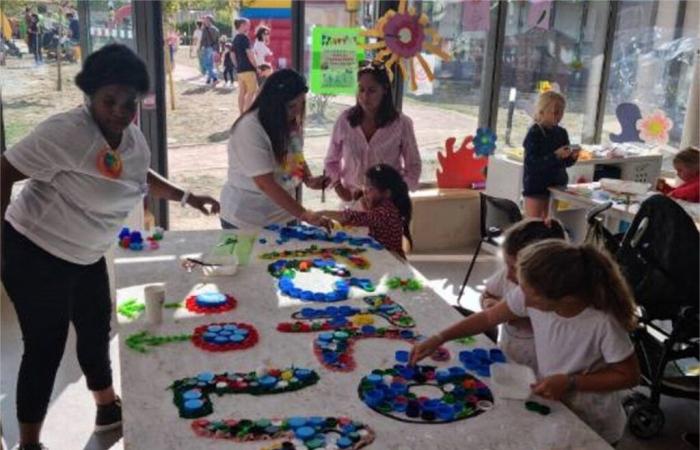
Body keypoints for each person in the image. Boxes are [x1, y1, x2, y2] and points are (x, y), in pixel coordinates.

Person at [0, 44, 220, 450]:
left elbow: (138, 177)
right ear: (90, 96)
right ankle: (29, 443)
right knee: (45, 347)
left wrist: (188, 197)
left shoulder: (131, 139)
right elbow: (4, 170)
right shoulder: (66, 131)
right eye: (109, 101)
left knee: (96, 329)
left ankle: (106, 407)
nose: (120, 110)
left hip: (86, 254)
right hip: (34, 251)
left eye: (129, 102)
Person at [410, 240, 640, 444]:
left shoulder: (602, 321)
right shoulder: (532, 294)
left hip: (593, 419)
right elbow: (489, 317)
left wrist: (571, 382)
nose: (520, 296)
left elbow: (629, 376)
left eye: (528, 293)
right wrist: (440, 337)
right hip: (556, 403)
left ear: (565, 299)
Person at [219, 69, 328, 230]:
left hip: (284, 215)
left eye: (302, 104)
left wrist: (307, 179)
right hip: (246, 220)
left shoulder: (290, 123)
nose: (297, 111)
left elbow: (295, 155)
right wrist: (305, 214)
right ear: (273, 103)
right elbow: (265, 183)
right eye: (292, 106)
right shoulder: (250, 128)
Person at [324, 63, 421, 203]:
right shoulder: (345, 121)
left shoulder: (402, 124)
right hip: (352, 201)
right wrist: (339, 188)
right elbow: (331, 161)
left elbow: (414, 166)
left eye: (372, 90)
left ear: (385, 90)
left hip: (388, 205)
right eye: (361, 89)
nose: (365, 96)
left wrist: (396, 194)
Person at [479, 218, 566, 370]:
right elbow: (487, 295)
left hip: (541, 368)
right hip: (509, 352)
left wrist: (520, 319)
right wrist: (489, 305)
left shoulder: (558, 295)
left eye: (514, 268)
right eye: (506, 265)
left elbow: (557, 331)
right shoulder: (507, 277)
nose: (508, 275)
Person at [320, 164, 412, 258]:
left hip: (393, 260)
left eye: (370, 188)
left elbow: (354, 217)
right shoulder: (382, 205)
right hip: (383, 255)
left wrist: (321, 213)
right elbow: (368, 216)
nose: (365, 191)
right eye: (364, 186)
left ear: (386, 193)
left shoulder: (386, 212)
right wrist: (365, 200)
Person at [522, 91, 579, 218]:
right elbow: (531, 164)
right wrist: (555, 155)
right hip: (536, 188)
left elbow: (564, 163)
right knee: (534, 225)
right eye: (555, 112)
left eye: (561, 112)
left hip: (556, 186)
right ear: (542, 112)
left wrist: (572, 157)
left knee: (550, 224)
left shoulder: (561, 132)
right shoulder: (534, 133)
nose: (558, 116)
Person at [232, 18, 258, 113]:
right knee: (251, 92)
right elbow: (250, 55)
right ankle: (246, 114)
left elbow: (232, 54)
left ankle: (241, 113)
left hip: (240, 70)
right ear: (242, 25)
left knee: (242, 93)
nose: (249, 26)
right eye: (248, 24)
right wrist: (256, 66)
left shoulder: (235, 38)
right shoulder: (245, 38)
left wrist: (237, 65)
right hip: (248, 69)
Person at [199, 15, 220, 85]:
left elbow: (203, 39)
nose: (204, 21)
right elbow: (217, 41)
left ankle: (215, 78)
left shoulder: (205, 29)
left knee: (206, 64)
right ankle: (209, 79)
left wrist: (200, 47)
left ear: (209, 21)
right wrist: (217, 50)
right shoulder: (216, 29)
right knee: (210, 64)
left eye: (206, 20)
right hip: (214, 48)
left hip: (207, 48)